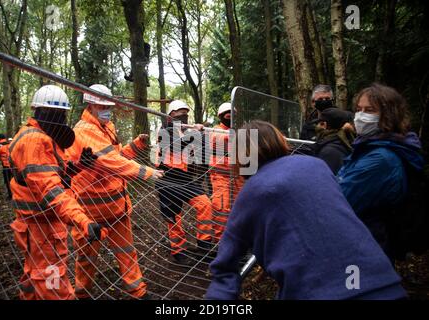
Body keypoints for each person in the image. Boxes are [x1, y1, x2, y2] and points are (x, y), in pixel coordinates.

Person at [206, 120, 407, 300]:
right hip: (383, 282)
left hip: (319, 292)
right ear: (280, 141)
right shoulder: (317, 165)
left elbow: (225, 265)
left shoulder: (252, 191)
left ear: (240, 156)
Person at [8, 85, 107, 300]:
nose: (61, 120)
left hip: (42, 224)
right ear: (41, 113)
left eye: (62, 115)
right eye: (56, 114)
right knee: (53, 281)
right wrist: (83, 221)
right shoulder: (34, 141)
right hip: (41, 227)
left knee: (34, 274)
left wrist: (78, 167)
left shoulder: (43, 136)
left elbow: (52, 175)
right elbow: (51, 191)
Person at [66, 84, 163, 300]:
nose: (107, 109)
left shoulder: (106, 126)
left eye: (109, 105)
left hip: (117, 207)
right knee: (86, 258)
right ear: (91, 105)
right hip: (91, 212)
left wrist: (136, 146)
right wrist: (144, 171)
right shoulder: (84, 131)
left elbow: (117, 156)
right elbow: (109, 161)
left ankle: (138, 292)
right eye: (102, 105)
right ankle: (81, 295)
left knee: (127, 252)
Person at [337, 83, 425, 260]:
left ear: (388, 115)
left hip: (367, 246)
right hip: (368, 240)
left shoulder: (380, 159)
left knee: (356, 286)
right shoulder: (371, 147)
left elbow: (340, 201)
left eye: (369, 110)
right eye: (359, 109)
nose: (361, 116)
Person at [155, 100, 214, 265]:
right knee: (173, 216)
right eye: (179, 112)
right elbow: (175, 147)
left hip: (185, 179)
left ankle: (204, 245)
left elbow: (201, 153)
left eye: (185, 112)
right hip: (167, 178)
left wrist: (202, 134)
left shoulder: (186, 130)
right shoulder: (165, 130)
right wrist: (195, 133)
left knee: (205, 204)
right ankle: (178, 250)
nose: (184, 115)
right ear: (171, 114)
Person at [208, 102, 244, 242]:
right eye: (228, 115)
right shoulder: (216, 131)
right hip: (220, 177)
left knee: (240, 208)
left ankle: (239, 241)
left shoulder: (240, 132)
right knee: (221, 208)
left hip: (239, 176)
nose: (230, 118)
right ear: (221, 116)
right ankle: (221, 243)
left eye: (233, 115)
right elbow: (222, 138)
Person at [313, 108, 355, 174]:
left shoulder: (329, 151)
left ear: (324, 125)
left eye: (319, 123)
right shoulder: (344, 141)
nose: (317, 126)